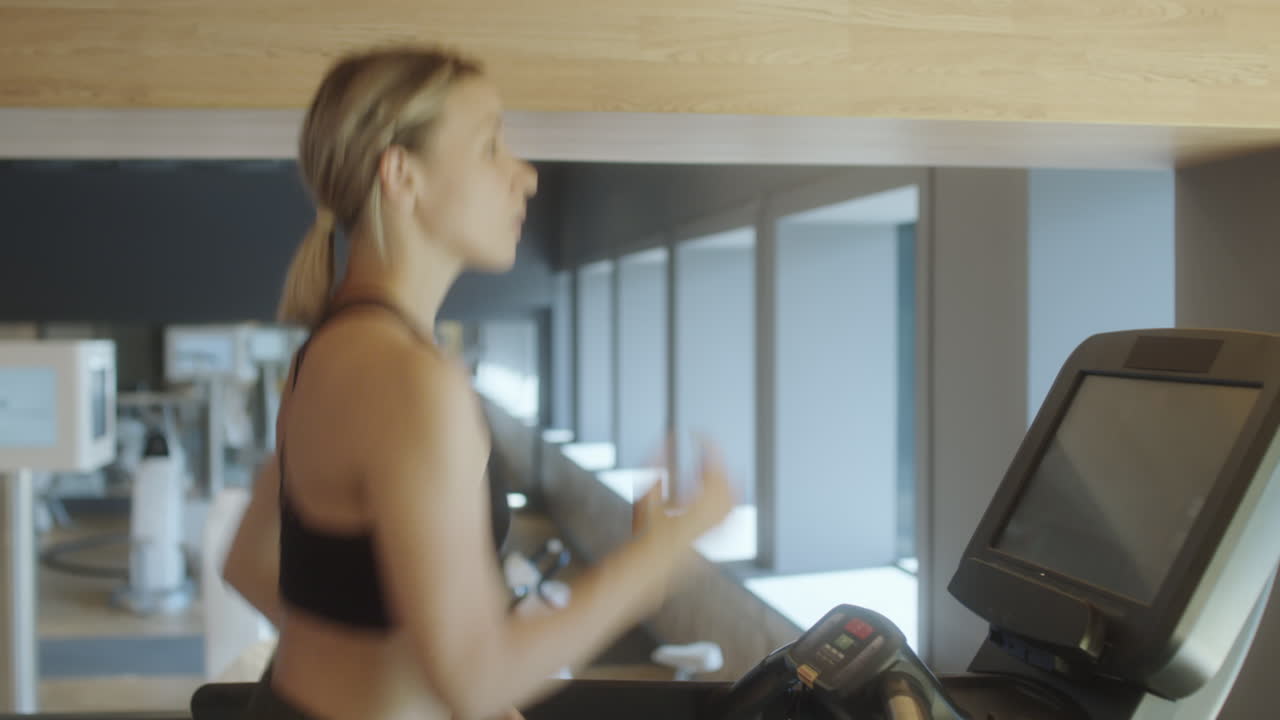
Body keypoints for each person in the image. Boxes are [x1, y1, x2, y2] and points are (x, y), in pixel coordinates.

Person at [220, 44, 736, 720]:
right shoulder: (408, 379)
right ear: (402, 175)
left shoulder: (331, 350)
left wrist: (411, 674)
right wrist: (661, 554)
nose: (525, 176)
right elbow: (477, 678)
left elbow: (251, 563)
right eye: (491, 146)